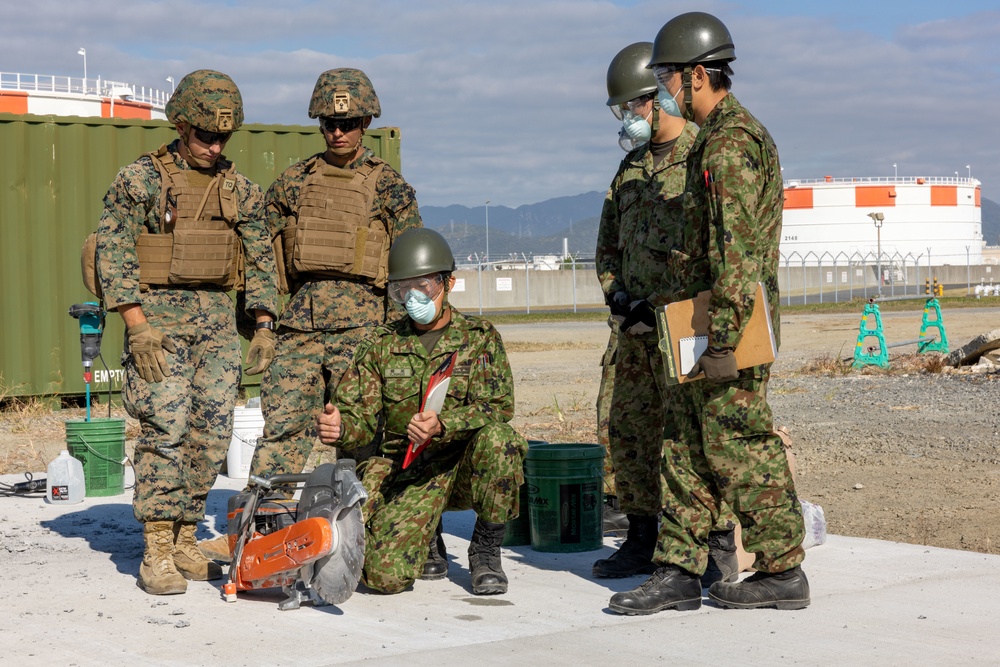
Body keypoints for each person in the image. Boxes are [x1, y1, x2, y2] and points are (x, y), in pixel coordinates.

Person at [609, 12, 808, 615]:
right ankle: (677, 569)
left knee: (740, 445)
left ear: (698, 74)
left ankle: (783, 569)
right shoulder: (715, 140)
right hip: (698, 321)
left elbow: (737, 253)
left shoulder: (727, 145)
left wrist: (722, 341)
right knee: (683, 444)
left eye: (668, 75)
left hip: (725, 325)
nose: (664, 86)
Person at [95, 70, 279, 595]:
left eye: (223, 137)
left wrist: (264, 323)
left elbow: (262, 255)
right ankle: (155, 546)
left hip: (218, 328)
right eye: (204, 134)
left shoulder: (240, 189)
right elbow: (113, 248)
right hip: (159, 326)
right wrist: (136, 325)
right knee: (165, 428)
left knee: (210, 434)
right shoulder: (142, 180)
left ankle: (183, 535)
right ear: (180, 125)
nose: (213, 145)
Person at [594, 42, 738, 584]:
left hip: (683, 328)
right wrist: (618, 298)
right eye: (620, 110)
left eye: (632, 106)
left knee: (692, 436)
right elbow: (607, 248)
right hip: (632, 331)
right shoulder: (628, 170)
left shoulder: (703, 156)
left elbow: (718, 248)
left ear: (660, 99)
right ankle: (642, 536)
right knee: (627, 430)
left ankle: (714, 541)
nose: (626, 118)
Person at [316, 228, 527, 595]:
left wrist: (444, 424)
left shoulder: (478, 337)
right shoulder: (381, 344)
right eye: (403, 289)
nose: (413, 297)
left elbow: (498, 407)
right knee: (383, 577)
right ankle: (428, 534)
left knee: (501, 441)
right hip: (407, 470)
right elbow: (360, 421)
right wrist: (341, 428)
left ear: (449, 283)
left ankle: (487, 549)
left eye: (424, 286)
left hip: (461, 466)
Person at [249, 68, 423, 480]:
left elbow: (409, 268)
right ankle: (265, 527)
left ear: (365, 123)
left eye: (347, 124)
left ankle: (365, 524)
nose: (338, 133)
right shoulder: (294, 182)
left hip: (364, 329)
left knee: (364, 434)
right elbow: (259, 254)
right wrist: (264, 322)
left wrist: (398, 339)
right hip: (301, 326)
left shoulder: (389, 187)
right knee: (283, 429)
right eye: (330, 124)